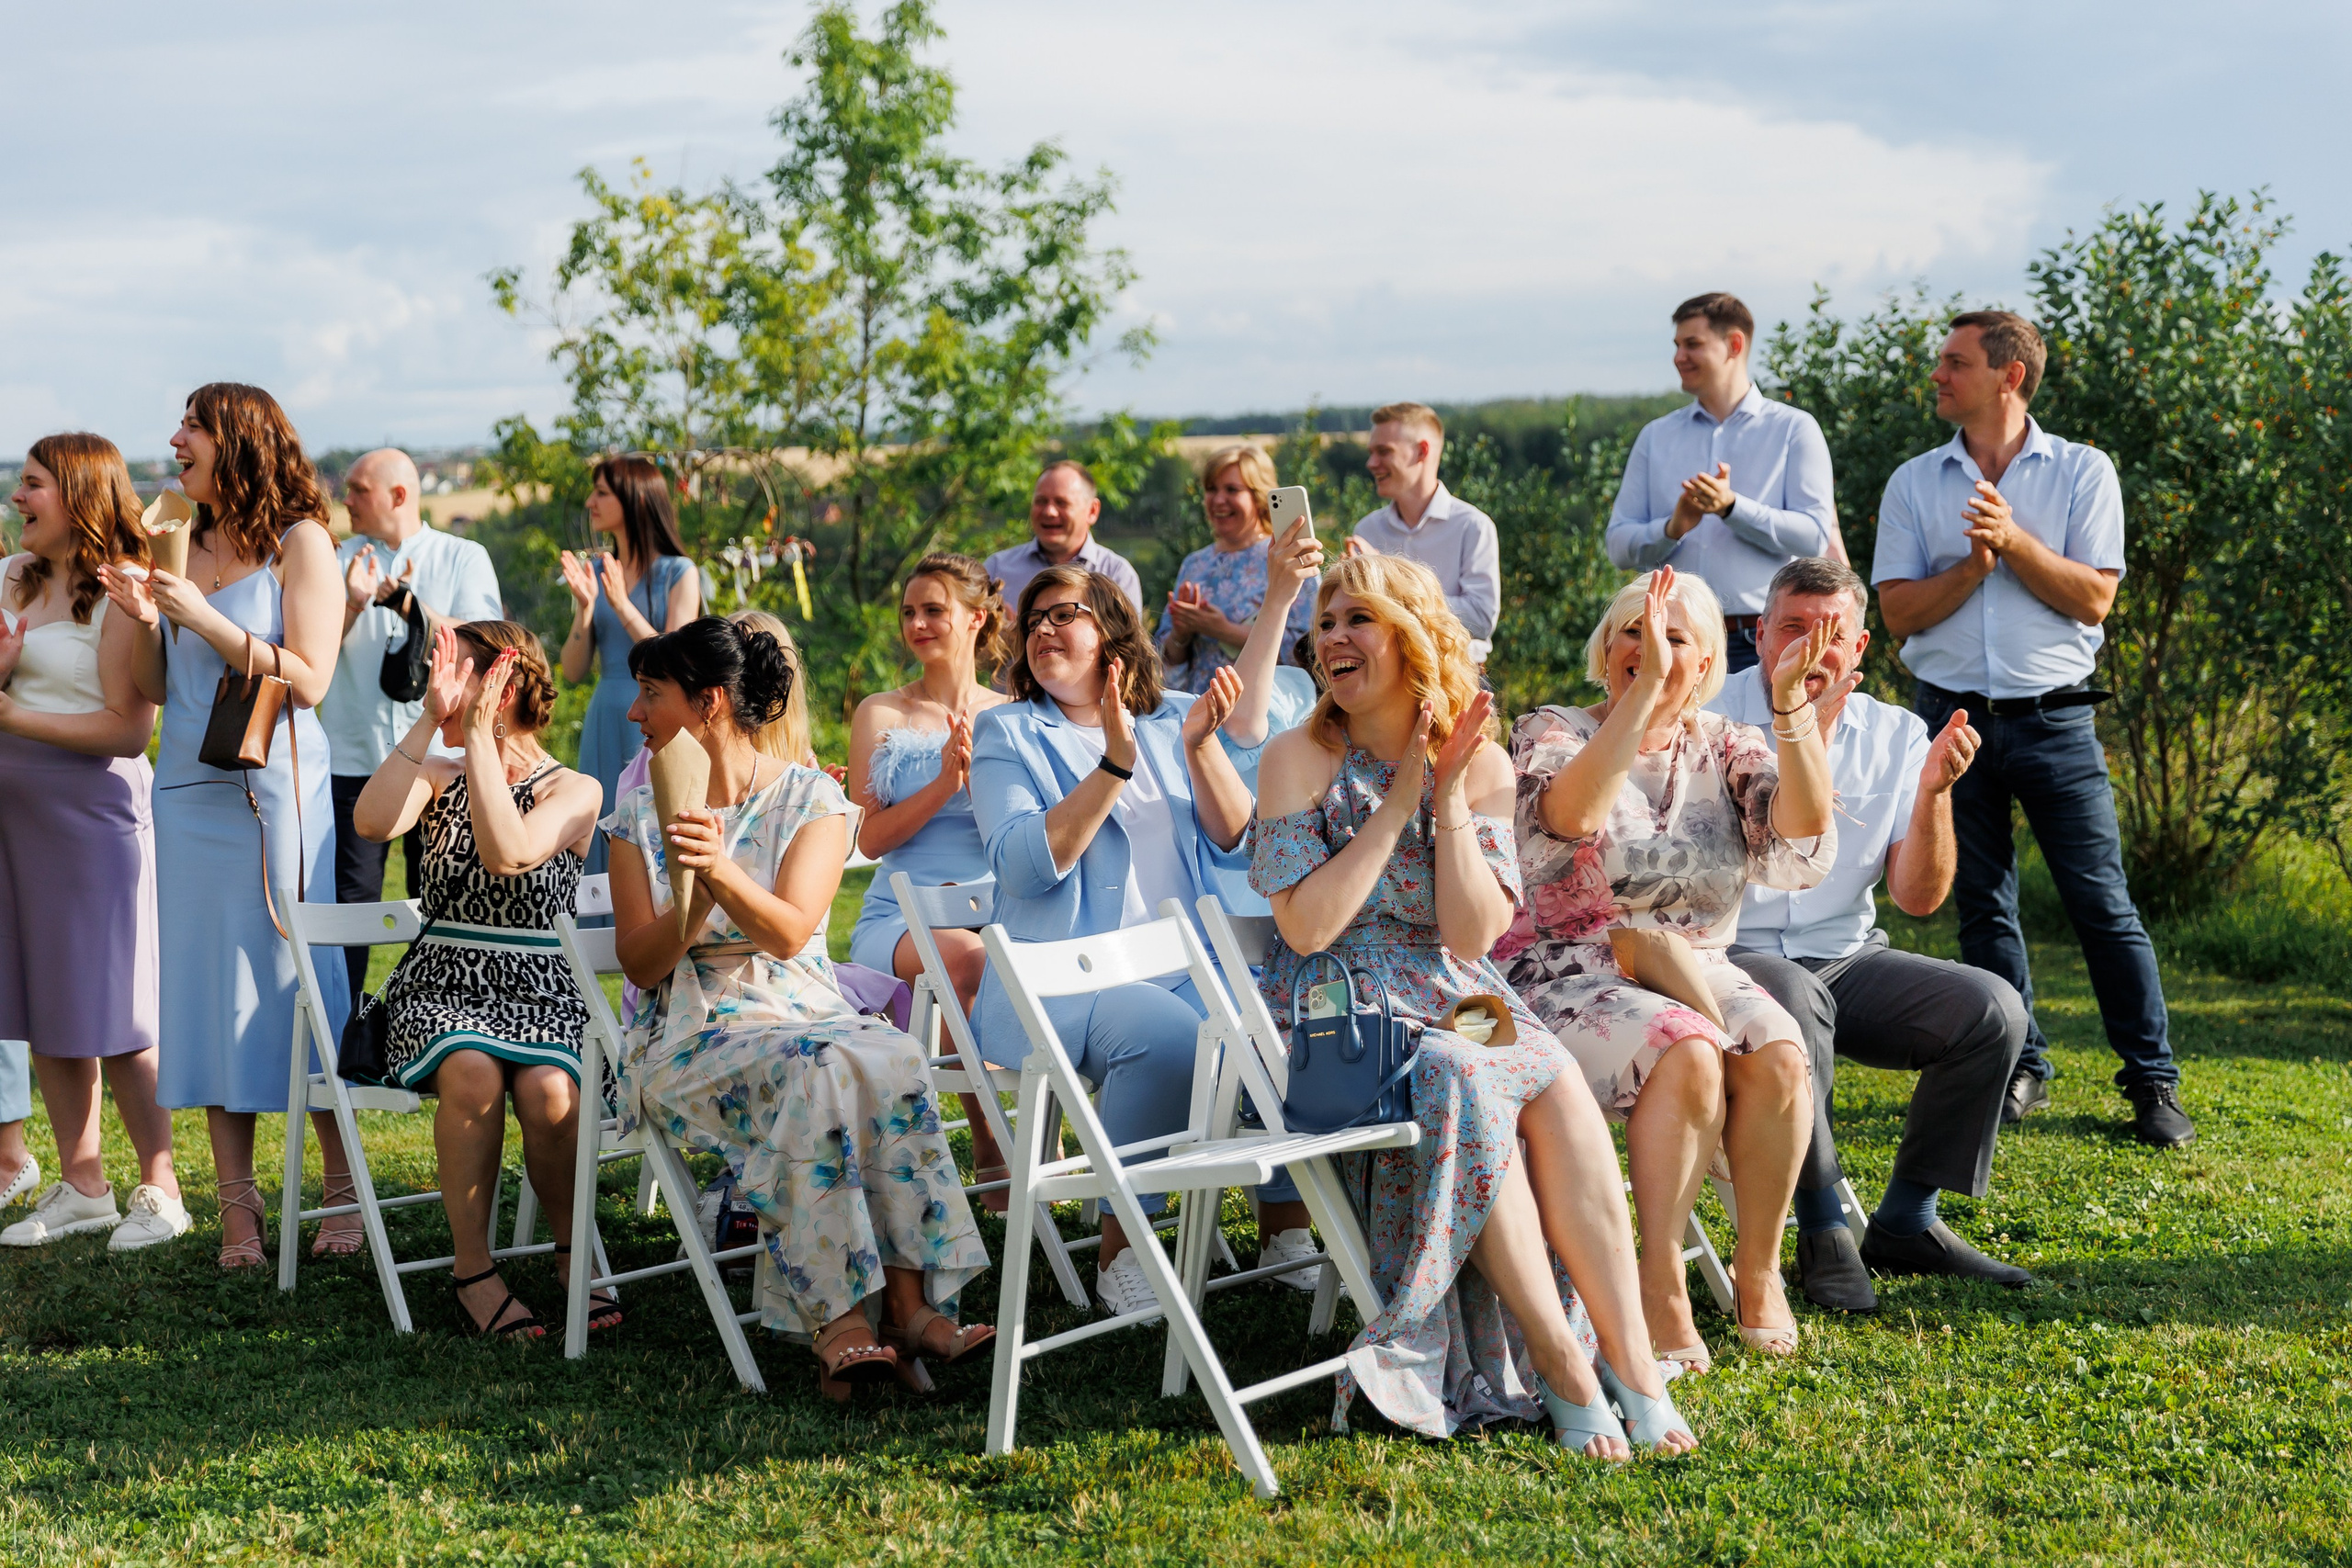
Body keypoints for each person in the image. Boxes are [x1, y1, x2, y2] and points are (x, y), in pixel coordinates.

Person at [1252, 551, 1694, 1455]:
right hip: (1350, 1013)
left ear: (1409, 636)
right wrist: (1397, 805)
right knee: (1464, 1068)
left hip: (1449, 991)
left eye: (1356, 619)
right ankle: (1560, 1361)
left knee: (1549, 1072)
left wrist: (1447, 797)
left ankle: (1629, 1364)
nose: (1333, 637)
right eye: (1326, 622)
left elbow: (1465, 938)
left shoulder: (1481, 759)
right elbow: (1304, 929)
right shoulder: (1297, 758)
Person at [605, 617, 991, 1393]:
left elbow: (787, 933)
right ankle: (844, 1321)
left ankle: (908, 1304)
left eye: (652, 693)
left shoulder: (812, 797)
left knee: (896, 1052)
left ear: (708, 702)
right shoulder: (636, 820)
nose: (634, 712)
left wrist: (717, 868)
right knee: (823, 1069)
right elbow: (639, 962)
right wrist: (692, 901)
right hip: (690, 1032)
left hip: (805, 1013)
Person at [1502, 567, 1838, 1366]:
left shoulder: (1728, 743)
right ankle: (1659, 1282)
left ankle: (1759, 1274)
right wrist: (1642, 698)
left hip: (1697, 966)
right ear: (1605, 648)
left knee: (1782, 1053)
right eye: (1629, 628)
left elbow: (1799, 834)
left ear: (1709, 664)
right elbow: (1567, 816)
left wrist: (1791, 713)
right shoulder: (1552, 730)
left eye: (1669, 635)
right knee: (1686, 1048)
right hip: (1570, 971)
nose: (1643, 643)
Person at [1873, 310, 2192, 1147]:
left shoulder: (2084, 472)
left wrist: (2011, 541)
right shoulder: (1913, 482)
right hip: (1949, 722)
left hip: (2056, 722)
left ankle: (2152, 1081)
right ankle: (2019, 1065)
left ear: (2009, 376)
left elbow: (2093, 597)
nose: (1937, 376)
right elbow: (1900, 612)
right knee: (1982, 907)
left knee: (2103, 906)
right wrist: (1972, 568)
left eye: (1955, 363)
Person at [967, 566, 1319, 1312]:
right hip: (1069, 980)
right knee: (1170, 1039)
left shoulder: (1172, 718)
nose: (1041, 631)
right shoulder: (1008, 731)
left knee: (1277, 1029)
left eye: (1063, 614)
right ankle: (1122, 1248)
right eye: (1032, 621)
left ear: (1113, 634)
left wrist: (1198, 751)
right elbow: (1024, 867)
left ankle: (1286, 1229)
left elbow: (1235, 841)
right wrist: (1111, 767)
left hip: (1186, 957)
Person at [1713, 558, 2031, 1311]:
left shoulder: (1896, 733)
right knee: (1790, 996)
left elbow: (1918, 897)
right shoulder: (1708, 715)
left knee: (1993, 1010)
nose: (1812, 646)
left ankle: (1906, 1221)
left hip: (1848, 954)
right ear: (1759, 635)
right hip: (1726, 953)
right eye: (1795, 626)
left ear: (1858, 649)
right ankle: (1823, 1228)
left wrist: (1933, 795)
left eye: (1833, 633)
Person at [97, 383, 358, 1268]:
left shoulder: (301, 544)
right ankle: (238, 1211)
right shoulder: (179, 534)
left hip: (274, 788)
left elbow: (312, 679)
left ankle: (340, 1185)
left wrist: (203, 616)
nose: (174, 439)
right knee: (205, 987)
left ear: (237, 441)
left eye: (193, 426)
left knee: (298, 973)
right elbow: (164, 685)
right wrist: (145, 619)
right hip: (186, 791)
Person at [351, 621, 607, 1337]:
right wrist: (434, 721)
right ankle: (473, 1271)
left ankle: (571, 1254)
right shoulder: (437, 772)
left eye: (453, 667)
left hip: (541, 990)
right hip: (443, 987)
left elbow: (511, 852)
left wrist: (485, 740)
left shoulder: (575, 788)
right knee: (471, 1070)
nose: (439, 677)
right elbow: (371, 822)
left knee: (551, 1087)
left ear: (504, 683)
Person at [0, 434, 183, 1252]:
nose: (16, 498)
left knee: (119, 1008)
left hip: (92, 819)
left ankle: (163, 1185)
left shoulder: (123, 592)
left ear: (76, 494)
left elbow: (127, 727)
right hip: (14, 820)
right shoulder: (10, 577)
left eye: (32, 485)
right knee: (45, 1002)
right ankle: (82, 1185)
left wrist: (10, 716)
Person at [845, 555, 1012, 1203]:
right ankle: (993, 1142)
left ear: (976, 617)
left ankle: (1043, 1136)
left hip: (998, 906)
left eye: (933, 609)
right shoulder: (881, 713)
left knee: (1004, 954)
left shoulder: (1011, 710)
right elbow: (869, 836)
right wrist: (945, 783)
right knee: (965, 958)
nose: (917, 622)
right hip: (902, 916)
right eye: (909, 611)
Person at [322, 447, 503, 998]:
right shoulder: (335, 560)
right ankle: (344, 1033)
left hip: (444, 765)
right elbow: (312, 652)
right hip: (352, 759)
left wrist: (404, 602)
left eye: (357, 489)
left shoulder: (462, 556)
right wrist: (352, 604)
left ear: (398, 495)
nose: (345, 500)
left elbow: (488, 636)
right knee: (350, 906)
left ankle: (438, 1020)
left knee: (443, 901)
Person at [1606, 293, 1844, 677]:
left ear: (1735, 344)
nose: (1678, 356)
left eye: (1692, 344)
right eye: (1677, 345)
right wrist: (1674, 527)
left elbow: (1813, 537)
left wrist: (1733, 508)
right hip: (1668, 636)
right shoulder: (1655, 436)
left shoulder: (1793, 430)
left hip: (1760, 638)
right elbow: (1617, 547)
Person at [560, 455, 700, 878]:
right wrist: (585, 609)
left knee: (650, 831)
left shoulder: (680, 572)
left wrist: (620, 605)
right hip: (605, 714)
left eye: (601, 492)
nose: (590, 502)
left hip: (657, 720)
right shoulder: (600, 571)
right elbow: (571, 670)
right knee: (599, 829)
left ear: (634, 498)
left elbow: (677, 659)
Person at [1346, 403, 1500, 662]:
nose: (1371, 463)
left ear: (1421, 451)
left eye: (1384, 451)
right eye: (1371, 452)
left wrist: (1390, 580)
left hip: (1456, 675)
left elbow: (1481, 620)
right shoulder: (1366, 529)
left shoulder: (1472, 526)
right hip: (1384, 677)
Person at [1156, 445, 1310, 694]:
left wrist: (1224, 631)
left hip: (1265, 715)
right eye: (1211, 489)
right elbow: (1163, 660)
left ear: (1259, 496)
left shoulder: (1287, 557)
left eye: (1231, 490)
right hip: (1198, 711)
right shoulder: (1195, 563)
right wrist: (1181, 634)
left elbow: (1306, 653)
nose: (1218, 500)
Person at [984, 460, 1143, 615]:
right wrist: (998, 640)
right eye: (1041, 501)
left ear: (1092, 511)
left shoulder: (1117, 575)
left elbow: (1128, 641)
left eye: (1062, 503)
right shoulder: (997, 570)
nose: (1049, 512)